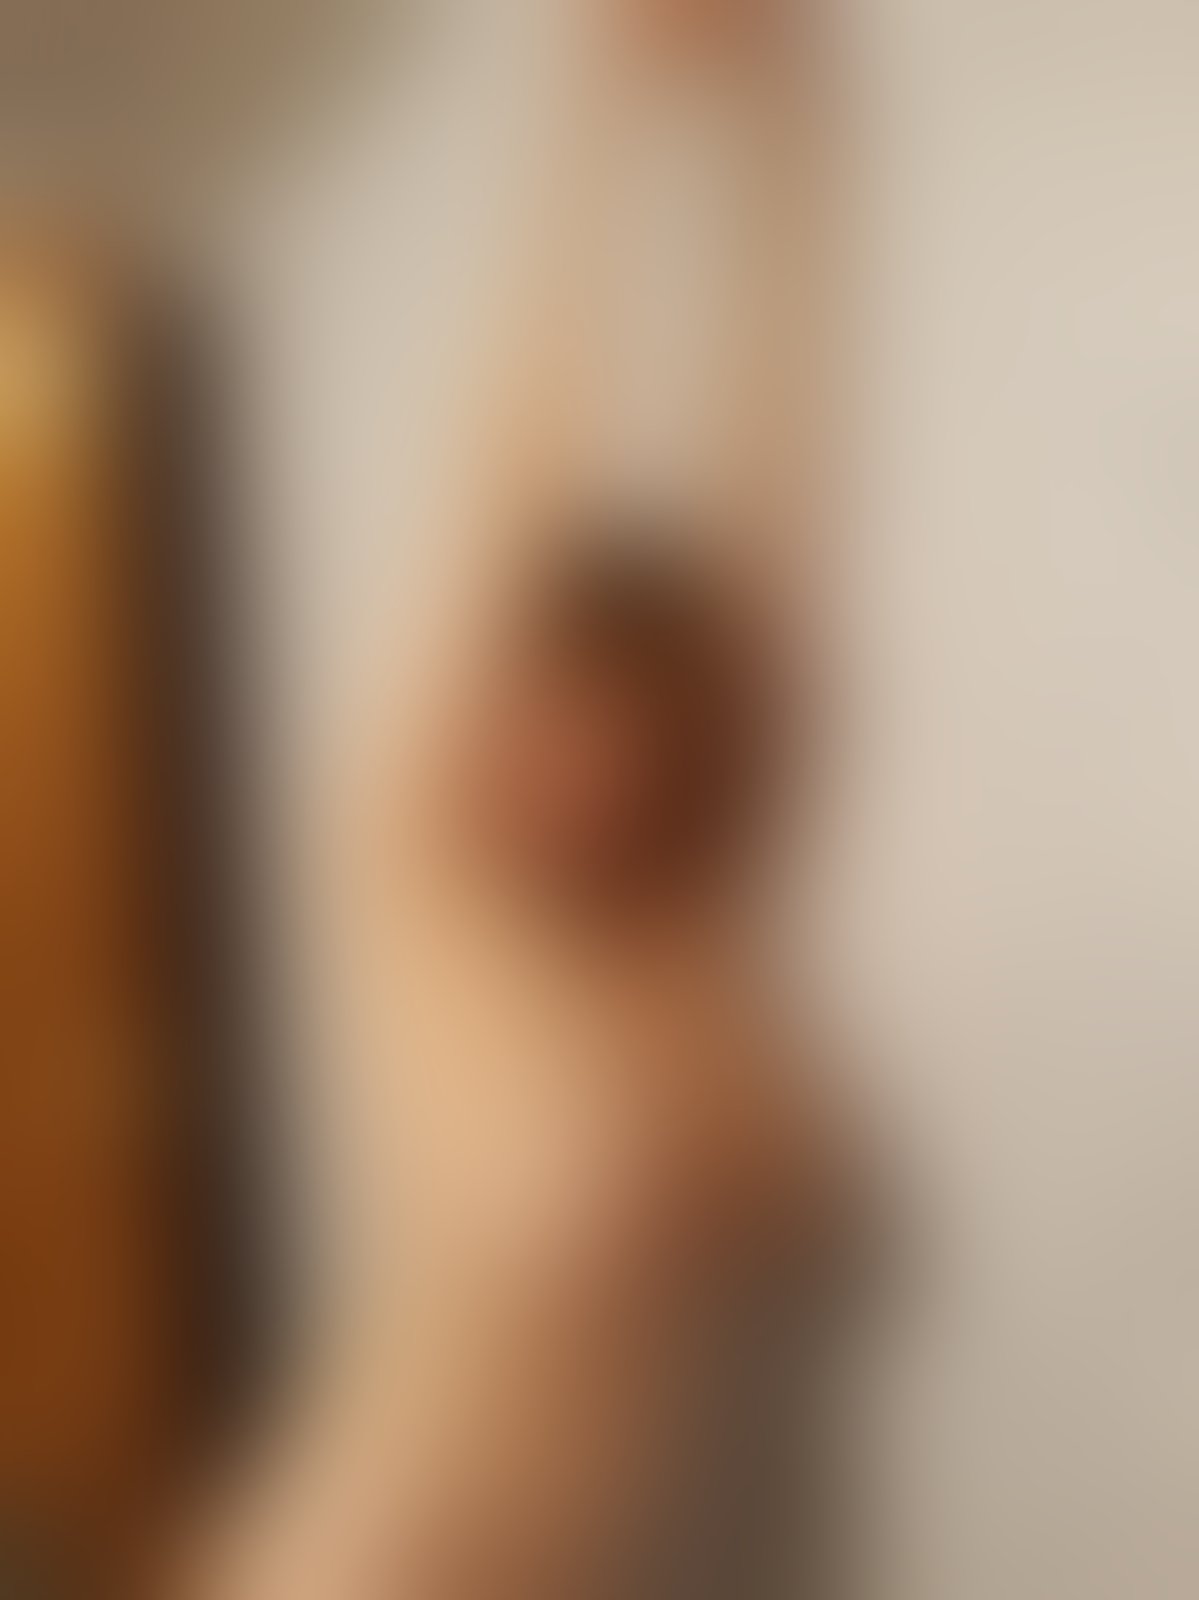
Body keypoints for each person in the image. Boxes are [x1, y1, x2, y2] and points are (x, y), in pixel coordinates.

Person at [186, 1, 854, 1594]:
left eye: (618, 735)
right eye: (542, 716)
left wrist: (789, 136)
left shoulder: (680, 958)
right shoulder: (423, 898)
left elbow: (776, 526)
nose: (570, 766)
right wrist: (592, 125)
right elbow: (512, 482)